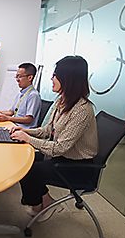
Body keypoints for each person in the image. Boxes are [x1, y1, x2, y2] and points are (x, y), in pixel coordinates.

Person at [10, 56, 98, 221]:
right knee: (22, 161)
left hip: (77, 166)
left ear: (68, 79)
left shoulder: (82, 110)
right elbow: (48, 130)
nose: (51, 78)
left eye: (55, 75)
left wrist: (27, 138)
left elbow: (59, 148)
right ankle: (47, 201)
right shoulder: (62, 101)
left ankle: (38, 205)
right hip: (60, 156)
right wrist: (25, 132)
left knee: (30, 170)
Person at [0, 63, 41, 129]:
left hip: (23, 130)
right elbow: (11, 112)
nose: (17, 79)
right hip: (14, 125)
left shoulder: (33, 95)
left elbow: (28, 119)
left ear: (30, 78)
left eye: (19, 76)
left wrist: (8, 118)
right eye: (16, 76)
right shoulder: (20, 94)